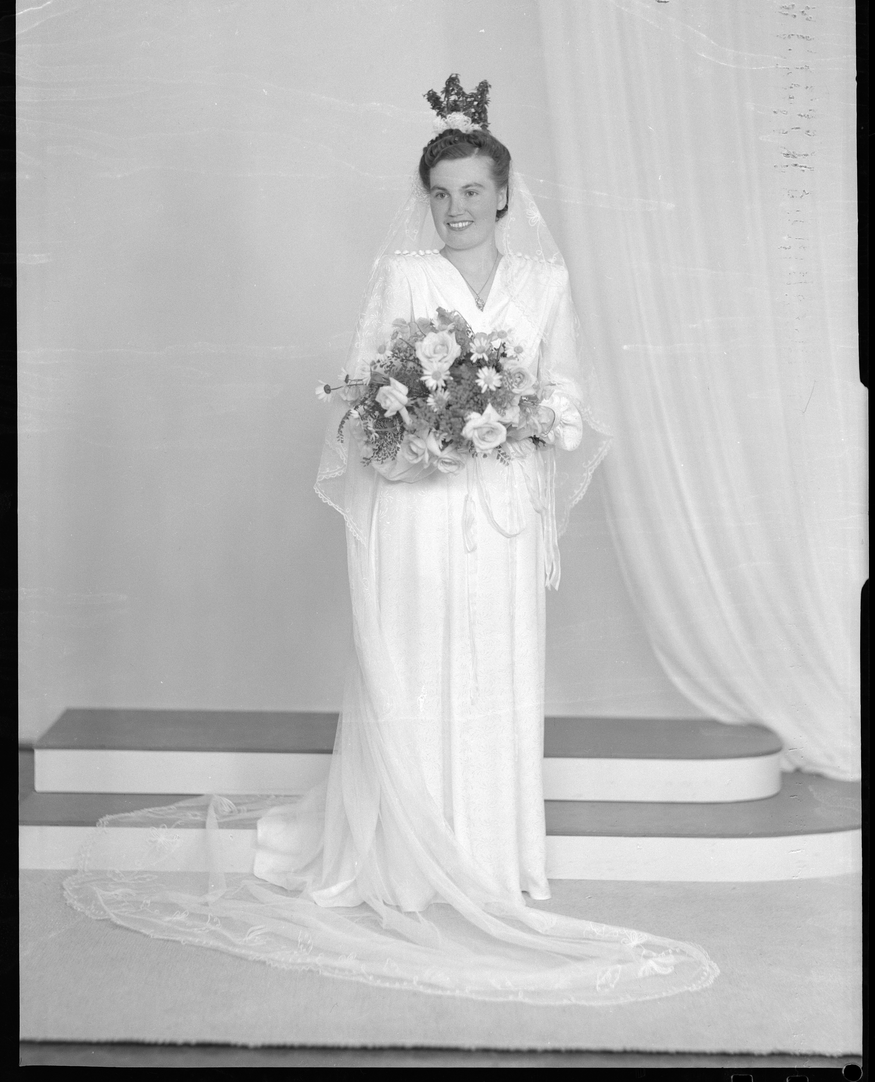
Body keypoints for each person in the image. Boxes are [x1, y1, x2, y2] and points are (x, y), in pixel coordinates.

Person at [65, 76, 718, 1005]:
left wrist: (534, 414)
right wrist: (410, 421)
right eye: (440, 193)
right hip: (419, 503)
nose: (456, 209)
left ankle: (488, 859)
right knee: (414, 663)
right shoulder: (407, 275)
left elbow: (567, 391)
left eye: (472, 191)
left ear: (503, 193)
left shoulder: (544, 283)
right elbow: (365, 392)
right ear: (428, 200)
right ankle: (408, 860)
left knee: (493, 666)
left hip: (499, 505)